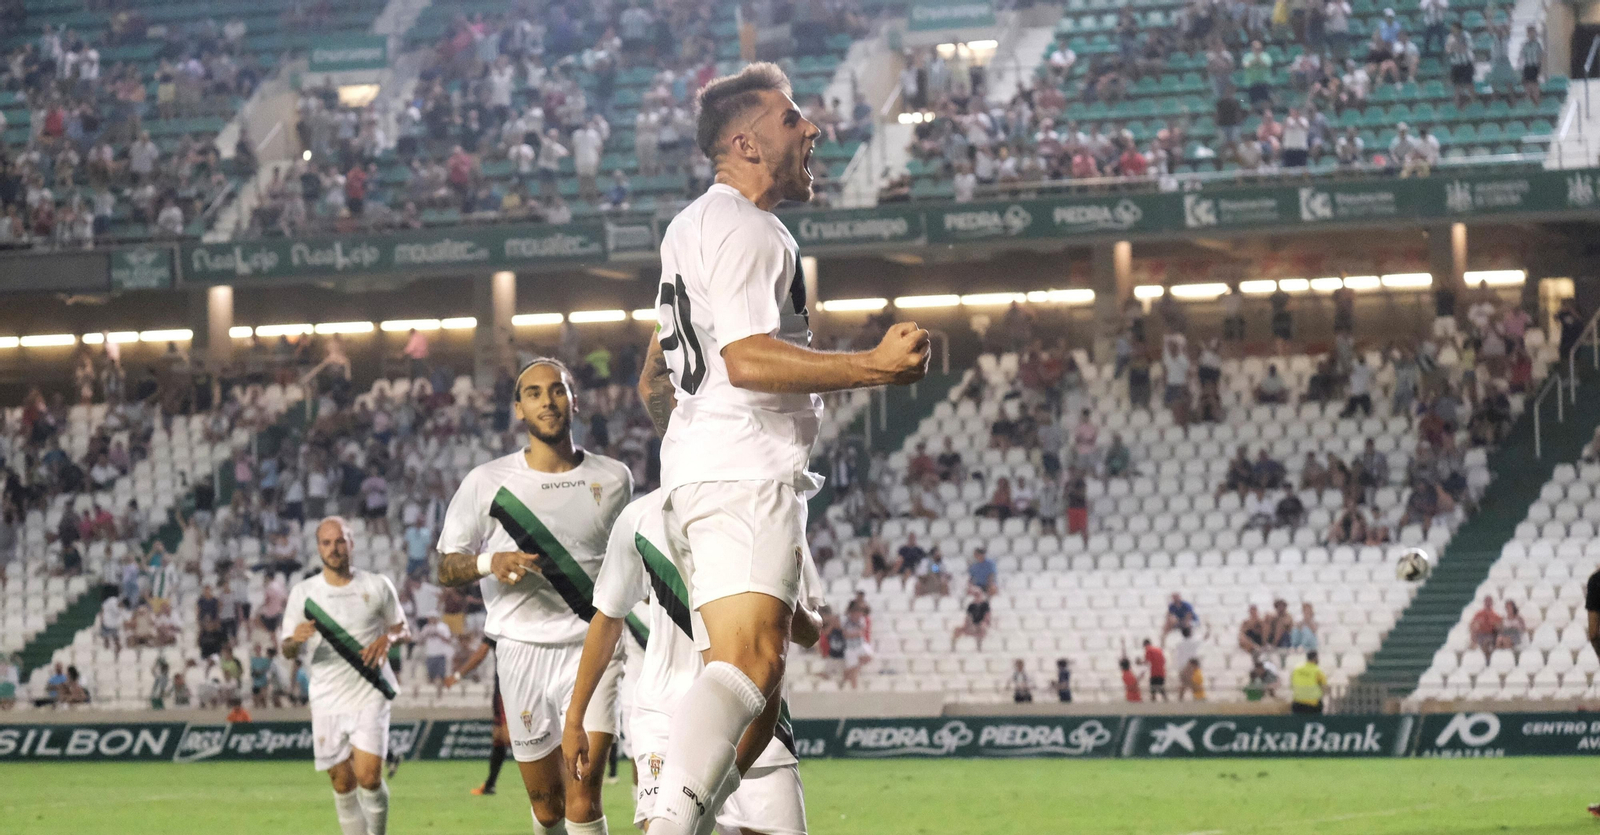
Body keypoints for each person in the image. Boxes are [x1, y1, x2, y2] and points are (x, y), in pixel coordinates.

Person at [636, 61, 930, 835]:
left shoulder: (694, 225)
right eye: (793, 118)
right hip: (742, 471)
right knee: (749, 666)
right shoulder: (748, 228)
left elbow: (655, 379)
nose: (813, 129)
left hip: (708, 469)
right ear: (747, 141)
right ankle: (665, 819)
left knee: (757, 710)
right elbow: (747, 359)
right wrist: (874, 367)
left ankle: (685, 819)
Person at [434, 359, 633, 835]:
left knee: (583, 799)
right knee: (548, 810)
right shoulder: (486, 482)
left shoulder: (615, 478)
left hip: (592, 648)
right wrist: (489, 563)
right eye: (535, 393)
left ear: (574, 400)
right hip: (520, 653)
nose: (548, 400)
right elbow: (446, 565)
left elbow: (630, 565)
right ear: (519, 408)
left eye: (558, 390)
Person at [564, 489, 822, 835]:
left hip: (755, 720)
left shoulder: (774, 505)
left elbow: (808, 632)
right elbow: (608, 617)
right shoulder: (640, 517)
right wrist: (575, 717)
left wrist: (785, 602)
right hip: (666, 717)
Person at [278, 517, 409, 835]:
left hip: (369, 691)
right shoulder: (304, 593)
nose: (334, 549)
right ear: (318, 548)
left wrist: (388, 639)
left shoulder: (377, 585)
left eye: (340, 541)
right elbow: (286, 650)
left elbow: (401, 627)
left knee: (369, 777)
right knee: (342, 782)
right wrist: (295, 639)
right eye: (327, 543)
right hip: (326, 697)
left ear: (351, 543)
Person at [952, 586, 992, 651]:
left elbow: (987, 616)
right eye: (975, 594)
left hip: (981, 625)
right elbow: (968, 617)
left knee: (982, 628)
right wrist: (966, 625)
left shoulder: (985, 604)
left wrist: (984, 623)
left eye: (978, 594)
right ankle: (954, 647)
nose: (977, 596)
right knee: (957, 630)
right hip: (972, 624)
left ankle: (979, 645)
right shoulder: (971, 606)